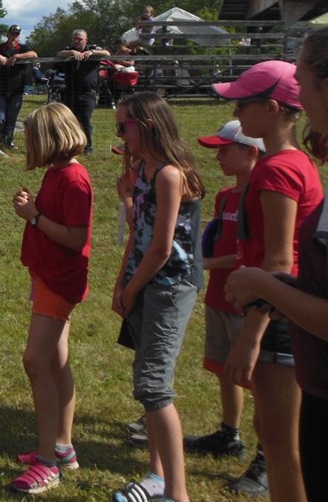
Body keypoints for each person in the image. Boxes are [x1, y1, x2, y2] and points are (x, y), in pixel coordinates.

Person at [224, 27, 328, 502]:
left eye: (242, 103)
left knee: (284, 449)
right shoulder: (291, 161)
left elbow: (280, 258)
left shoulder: (279, 168)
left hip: (281, 320)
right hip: (285, 315)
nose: (235, 111)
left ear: (271, 108)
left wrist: (249, 339)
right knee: (275, 432)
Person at [111, 91, 205, 502]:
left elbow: (163, 247)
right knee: (148, 382)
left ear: (147, 126)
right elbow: (138, 232)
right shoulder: (144, 168)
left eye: (123, 126)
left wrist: (132, 287)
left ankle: (177, 493)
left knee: (154, 386)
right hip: (143, 282)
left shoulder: (169, 174)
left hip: (168, 286)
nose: (119, 134)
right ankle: (156, 475)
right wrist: (121, 282)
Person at [8, 102, 92, 494]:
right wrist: (36, 211)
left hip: (61, 281)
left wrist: (34, 217)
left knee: (35, 360)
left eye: (31, 138)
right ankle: (62, 447)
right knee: (57, 360)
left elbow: (76, 240)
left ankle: (47, 464)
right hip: (49, 276)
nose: (28, 144)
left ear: (48, 140)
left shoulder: (74, 180)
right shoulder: (57, 174)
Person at [188, 120, 270, 496]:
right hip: (221, 296)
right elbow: (218, 240)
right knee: (225, 371)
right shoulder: (224, 196)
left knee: (263, 383)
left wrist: (199, 262)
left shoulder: (263, 198)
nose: (217, 157)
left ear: (251, 151)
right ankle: (229, 435)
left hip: (248, 306)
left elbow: (253, 256)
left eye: (225, 150)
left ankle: (268, 455)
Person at [56, 29, 109, 155]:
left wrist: (92, 52)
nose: (76, 41)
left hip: (88, 92)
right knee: (70, 120)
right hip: (70, 91)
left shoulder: (93, 49)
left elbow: (107, 53)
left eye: (79, 39)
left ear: (86, 39)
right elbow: (59, 53)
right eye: (74, 38)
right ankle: (71, 145)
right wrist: (72, 52)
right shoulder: (69, 49)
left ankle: (87, 147)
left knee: (85, 119)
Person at [0, 25, 38, 150]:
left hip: (17, 90)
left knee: (12, 117)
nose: (14, 36)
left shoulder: (22, 48)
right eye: (12, 33)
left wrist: (17, 57)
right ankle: (3, 139)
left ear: (19, 36)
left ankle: (7, 143)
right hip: (0, 90)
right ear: (7, 35)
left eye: (17, 34)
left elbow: (34, 54)